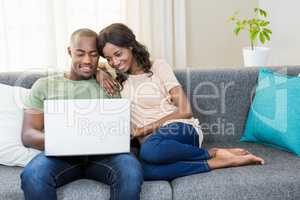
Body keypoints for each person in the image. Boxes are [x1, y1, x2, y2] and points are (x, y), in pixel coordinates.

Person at [96, 23, 265, 181]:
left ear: (130, 46)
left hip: (181, 129)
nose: (115, 62)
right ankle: (220, 161)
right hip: (156, 145)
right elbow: (81, 67)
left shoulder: (158, 67)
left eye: (118, 54)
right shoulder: (115, 79)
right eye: (109, 59)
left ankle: (210, 153)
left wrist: (142, 130)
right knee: (143, 171)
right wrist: (99, 72)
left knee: (149, 149)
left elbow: (185, 110)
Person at [20, 28, 143, 200]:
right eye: (80, 53)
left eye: (93, 54)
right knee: (33, 175)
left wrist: (100, 72)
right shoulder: (44, 85)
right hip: (61, 157)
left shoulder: (109, 84)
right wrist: (69, 140)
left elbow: (135, 67)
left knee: (130, 171)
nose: (87, 60)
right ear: (69, 52)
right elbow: (28, 134)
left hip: (105, 157)